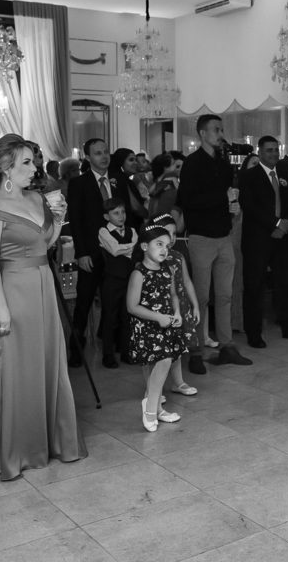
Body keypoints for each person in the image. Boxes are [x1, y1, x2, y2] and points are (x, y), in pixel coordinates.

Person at [0, 135, 84, 479]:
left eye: (33, 161)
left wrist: (58, 219)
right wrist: (0, 307)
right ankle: (13, 450)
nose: (34, 168)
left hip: (42, 285)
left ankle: (47, 442)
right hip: (11, 290)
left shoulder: (37, 198)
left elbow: (45, 245)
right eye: (26, 163)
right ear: (6, 168)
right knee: (14, 368)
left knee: (46, 361)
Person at [178, 115, 248, 367]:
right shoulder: (192, 163)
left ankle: (226, 346)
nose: (220, 134)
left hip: (224, 236)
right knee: (200, 297)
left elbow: (226, 197)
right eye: (216, 130)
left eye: (221, 129)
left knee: (225, 295)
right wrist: (222, 198)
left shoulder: (224, 163)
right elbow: (188, 201)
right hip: (202, 238)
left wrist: (233, 207)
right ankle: (196, 351)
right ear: (202, 134)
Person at [239, 135, 288, 347]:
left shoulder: (285, 173)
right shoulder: (249, 176)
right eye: (269, 150)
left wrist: (285, 224)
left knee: (284, 282)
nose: (273, 154)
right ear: (259, 152)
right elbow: (249, 206)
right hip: (258, 238)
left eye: (276, 150)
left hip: (282, 237)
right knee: (255, 285)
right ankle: (253, 333)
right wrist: (275, 224)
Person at [127, 224, 188, 431]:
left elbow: (173, 295)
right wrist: (158, 317)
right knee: (164, 360)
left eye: (167, 246)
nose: (164, 249)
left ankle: (156, 408)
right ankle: (151, 409)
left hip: (165, 325)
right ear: (145, 246)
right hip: (147, 327)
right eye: (159, 244)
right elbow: (132, 306)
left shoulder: (167, 270)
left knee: (160, 367)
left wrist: (176, 313)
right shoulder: (139, 273)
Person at [66, 137, 113, 368]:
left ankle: (110, 350)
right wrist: (81, 253)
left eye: (106, 152)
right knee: (84, 302)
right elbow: (76, 221)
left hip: (115, 253)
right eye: (98, 153)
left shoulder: (118, 179)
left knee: (112, 302)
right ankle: (76, 348)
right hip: (91, 252)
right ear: (87, 157)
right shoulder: (79, 183)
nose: (104, 157)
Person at [148, 213, 203, 392]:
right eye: (167, 233)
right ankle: (152, 390)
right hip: (159, 309)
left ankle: (178, 382)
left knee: (176, 347)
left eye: (174, 234)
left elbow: (187, 281)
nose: (171, 238)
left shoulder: (178, 256)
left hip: (179, 308)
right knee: (156, 349)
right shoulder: (150, 258)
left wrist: (195, 305)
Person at [97, 197, 136, 367]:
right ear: (107, 216)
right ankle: (108, 355)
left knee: (127, 316)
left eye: (123, 212)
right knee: (110, 317)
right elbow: (114, 250)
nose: (121, 216)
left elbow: (137, 249)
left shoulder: (132, 230)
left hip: (130, 279)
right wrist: (130, 248)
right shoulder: (103, 231)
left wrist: (125, 249)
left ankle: (126, 352)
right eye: (116, 213)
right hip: (112, 280)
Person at [109, 147, 149, 230]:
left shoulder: (117, 178)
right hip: (128, 226)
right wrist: (149, 216)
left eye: (136, 160)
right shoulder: (121, 180)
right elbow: (135, 207)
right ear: (120, 162)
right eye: (131, 160)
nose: (135, 163)